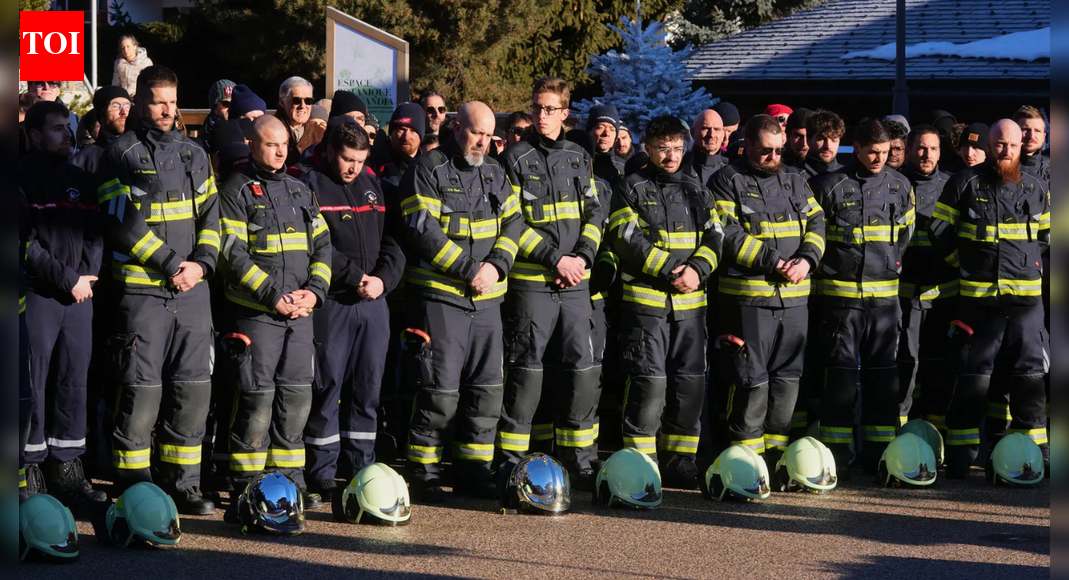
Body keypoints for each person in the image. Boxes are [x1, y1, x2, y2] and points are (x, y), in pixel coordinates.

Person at [96, 66, 220, 515]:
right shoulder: (118, 154)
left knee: (192, 390)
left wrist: (202, 266)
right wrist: (171, 264)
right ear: (139, 102)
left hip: (192, 293)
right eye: (158, 102)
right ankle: (134, 484)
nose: (168, 110)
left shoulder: (196, 153)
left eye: (173, 100)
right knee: (140, 391)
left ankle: (183, 484)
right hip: (142, 294)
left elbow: (211, 217)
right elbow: (120, 222)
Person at [399, 102, 523, 503]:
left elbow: (514, 222)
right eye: (476, 133)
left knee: (487, 391)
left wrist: (498, 267)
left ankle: (473, 470)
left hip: (487, 300)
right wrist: (472, 270)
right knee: (439, 391)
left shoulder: (495, 172)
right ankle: (424, 471)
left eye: (489, 135)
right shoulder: (427, 170)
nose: (483, 142)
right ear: (456, 128)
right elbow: (425, 232)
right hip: (444, 298)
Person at [217, 115, 332, 508]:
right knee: (255, 399)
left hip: (300, 316)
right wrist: (272, 296)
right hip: (258, 315)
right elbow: (232, 253)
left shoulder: (301, 190)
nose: (281, 151)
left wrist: (315, 292)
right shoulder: (235, 190)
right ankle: (247, 483)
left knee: (297, 398)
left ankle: (290, 481)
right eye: (271, 144)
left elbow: (323, 247)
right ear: (251, 144)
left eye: (284, 143)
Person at [495, 78, 603, 489]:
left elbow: (594, 212)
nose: (541, 115)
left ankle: (579, 461)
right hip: (533, 283)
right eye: (537, 108)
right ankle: (512, 461)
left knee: (581, 369)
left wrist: (582, 259)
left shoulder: (579, 156)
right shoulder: (515, 158)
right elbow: (513, 220)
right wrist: (554, 257)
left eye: (549, 109)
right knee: (526, 372)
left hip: (576, 284)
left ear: (564, 114)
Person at [607, 115, 723, 489]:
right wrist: (676, 269)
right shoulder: (630, 187)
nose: (670, 155)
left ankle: (680, 461)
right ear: (647, 148)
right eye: (662, 148)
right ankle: (642, 463)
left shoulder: (697, 189)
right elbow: (627, 238)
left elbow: (716, 235)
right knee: (649, 384)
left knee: (689, 385)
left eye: (676, 148)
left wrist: (698, 270)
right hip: (647, 305)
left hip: (691, 306)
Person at [930, 119, 1049, 478]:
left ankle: (1035, 453)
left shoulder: (1036, 187)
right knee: (973, 377)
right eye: (1001, 144)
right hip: (978, 302)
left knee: (1029, 378)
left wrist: (1029, 267)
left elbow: (1046, 236)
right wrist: (962, 266)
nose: (1007, 151)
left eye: (1013, 145)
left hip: (1026, 304)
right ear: (991, 145)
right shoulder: (964, 182)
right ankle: (962, 458)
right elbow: (938, 230)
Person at [710, 115, 825, 473]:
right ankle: (744, 462)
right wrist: (774, 262)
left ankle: (775, 461)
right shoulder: (726, 181)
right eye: (764, 151)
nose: (772, 157)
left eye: (778, 150)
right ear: (747, 144)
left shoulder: (796, 179)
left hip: (794, 301)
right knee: (750, 383)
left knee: (788, 383)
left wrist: (807, 260)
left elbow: (818, 223)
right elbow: (727, 235)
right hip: (748, 303)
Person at [301, 120, 405, 498]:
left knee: (368, 387)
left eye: (360, 160)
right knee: (326, 387)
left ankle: (361, 466)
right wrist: (355, 277)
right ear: (330, 151)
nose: (353, 168)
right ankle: (322, 470)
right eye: (347, 159)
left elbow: (395, 240)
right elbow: (319, 245)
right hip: (334, 302)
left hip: (374, 302)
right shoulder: (311, 185)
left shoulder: (373, 185)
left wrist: (383, 280)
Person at [810, 118, 914, 476]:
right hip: (841, 301)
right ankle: (836, 452)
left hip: (885, 303)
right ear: (855, 147)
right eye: (872, 152)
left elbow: (904, 235)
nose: (879, 159)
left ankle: (880, 452)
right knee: (839, 378)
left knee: (883, 379)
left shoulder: (901, 185)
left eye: (885, 153)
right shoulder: (828, 185)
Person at [20, 101, 106, 508]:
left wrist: (85, 277)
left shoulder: (80, 178)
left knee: (74, 380)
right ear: (34, 135)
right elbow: (24, 245)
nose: (67, 134)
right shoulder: (19, 178)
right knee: (34, 383)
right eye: (56, 129)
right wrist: (66, 279)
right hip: (39, 294)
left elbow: (95, 233)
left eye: (68, 127)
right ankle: (31, 469)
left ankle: (68, 470)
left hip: (79, 296)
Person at [897, 125, 954, 434]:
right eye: (920, 147)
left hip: (942, 296)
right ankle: (904, 430)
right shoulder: (894, 185)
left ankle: (936, 432)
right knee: (906, 364)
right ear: (908, 149)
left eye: (933, 148)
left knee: (938, 366)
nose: (927, 154)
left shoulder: (951, 186)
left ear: (940, 152)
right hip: (903, 294)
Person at [369, 103, 425, 197]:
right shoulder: (374, 164)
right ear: (391, 133)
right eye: (401, 129)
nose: (406, 137)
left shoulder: (429, 168)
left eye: (413, 131)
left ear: (421, 136)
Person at [276, 77, 324, 167]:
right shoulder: (269, 131)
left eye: (308, 101)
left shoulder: (321, 134)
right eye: (296, 100)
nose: (303, 106)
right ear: (282, 102)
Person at [796, 110, 846, 180]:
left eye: (834, 139)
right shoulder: (793, 176)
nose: (828, 146)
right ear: (808, 140)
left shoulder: (848, 176)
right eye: (821, 139)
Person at [26, 81, 79, 147]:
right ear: (29, 87)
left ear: (58, 90)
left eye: (52, 83)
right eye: (40, 82)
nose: (46, 87)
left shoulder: (75, 120)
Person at [587, 104, 625, 184]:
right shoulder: (577, 163)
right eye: (601, 127)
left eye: (612, 129)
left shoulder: (623, 168)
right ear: (589, 130)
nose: (607, 133)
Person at [688, 109, 727, 188]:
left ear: (723, 135)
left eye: (717, 129)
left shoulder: (731, 171)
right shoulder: (680, 168)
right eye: (705, 128)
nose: (712, 135)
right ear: (692, 133)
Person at [1014, 106, 1050, 183]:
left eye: (1037, 131)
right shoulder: (1001, 168)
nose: (1031, 136)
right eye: (1026, 129)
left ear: (1043, 137)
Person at [202, 79, 235, 145]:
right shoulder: (206, 135)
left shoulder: (245, 127)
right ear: (214, 106)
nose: (231, 108)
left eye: (234, 103)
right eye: (225, 104)